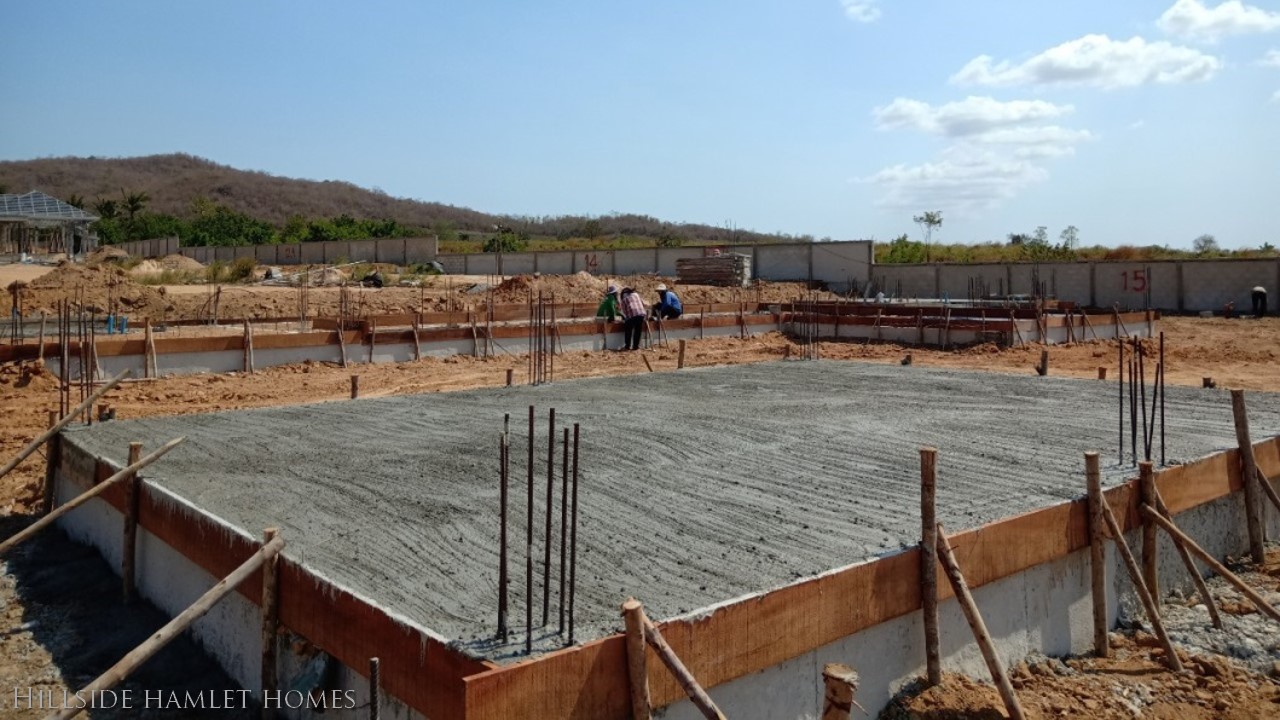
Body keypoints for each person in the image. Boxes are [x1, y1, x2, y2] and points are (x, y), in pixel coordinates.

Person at [619, 286, 648, 351]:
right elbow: (643, 304)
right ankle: (635, 347)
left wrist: (625, 319)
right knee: (638, 330)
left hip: (633, 315)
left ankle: (627, 346)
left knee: (628, 329)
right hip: (641, 314)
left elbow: (625, 313)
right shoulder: (636, 295)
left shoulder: (624, 299)